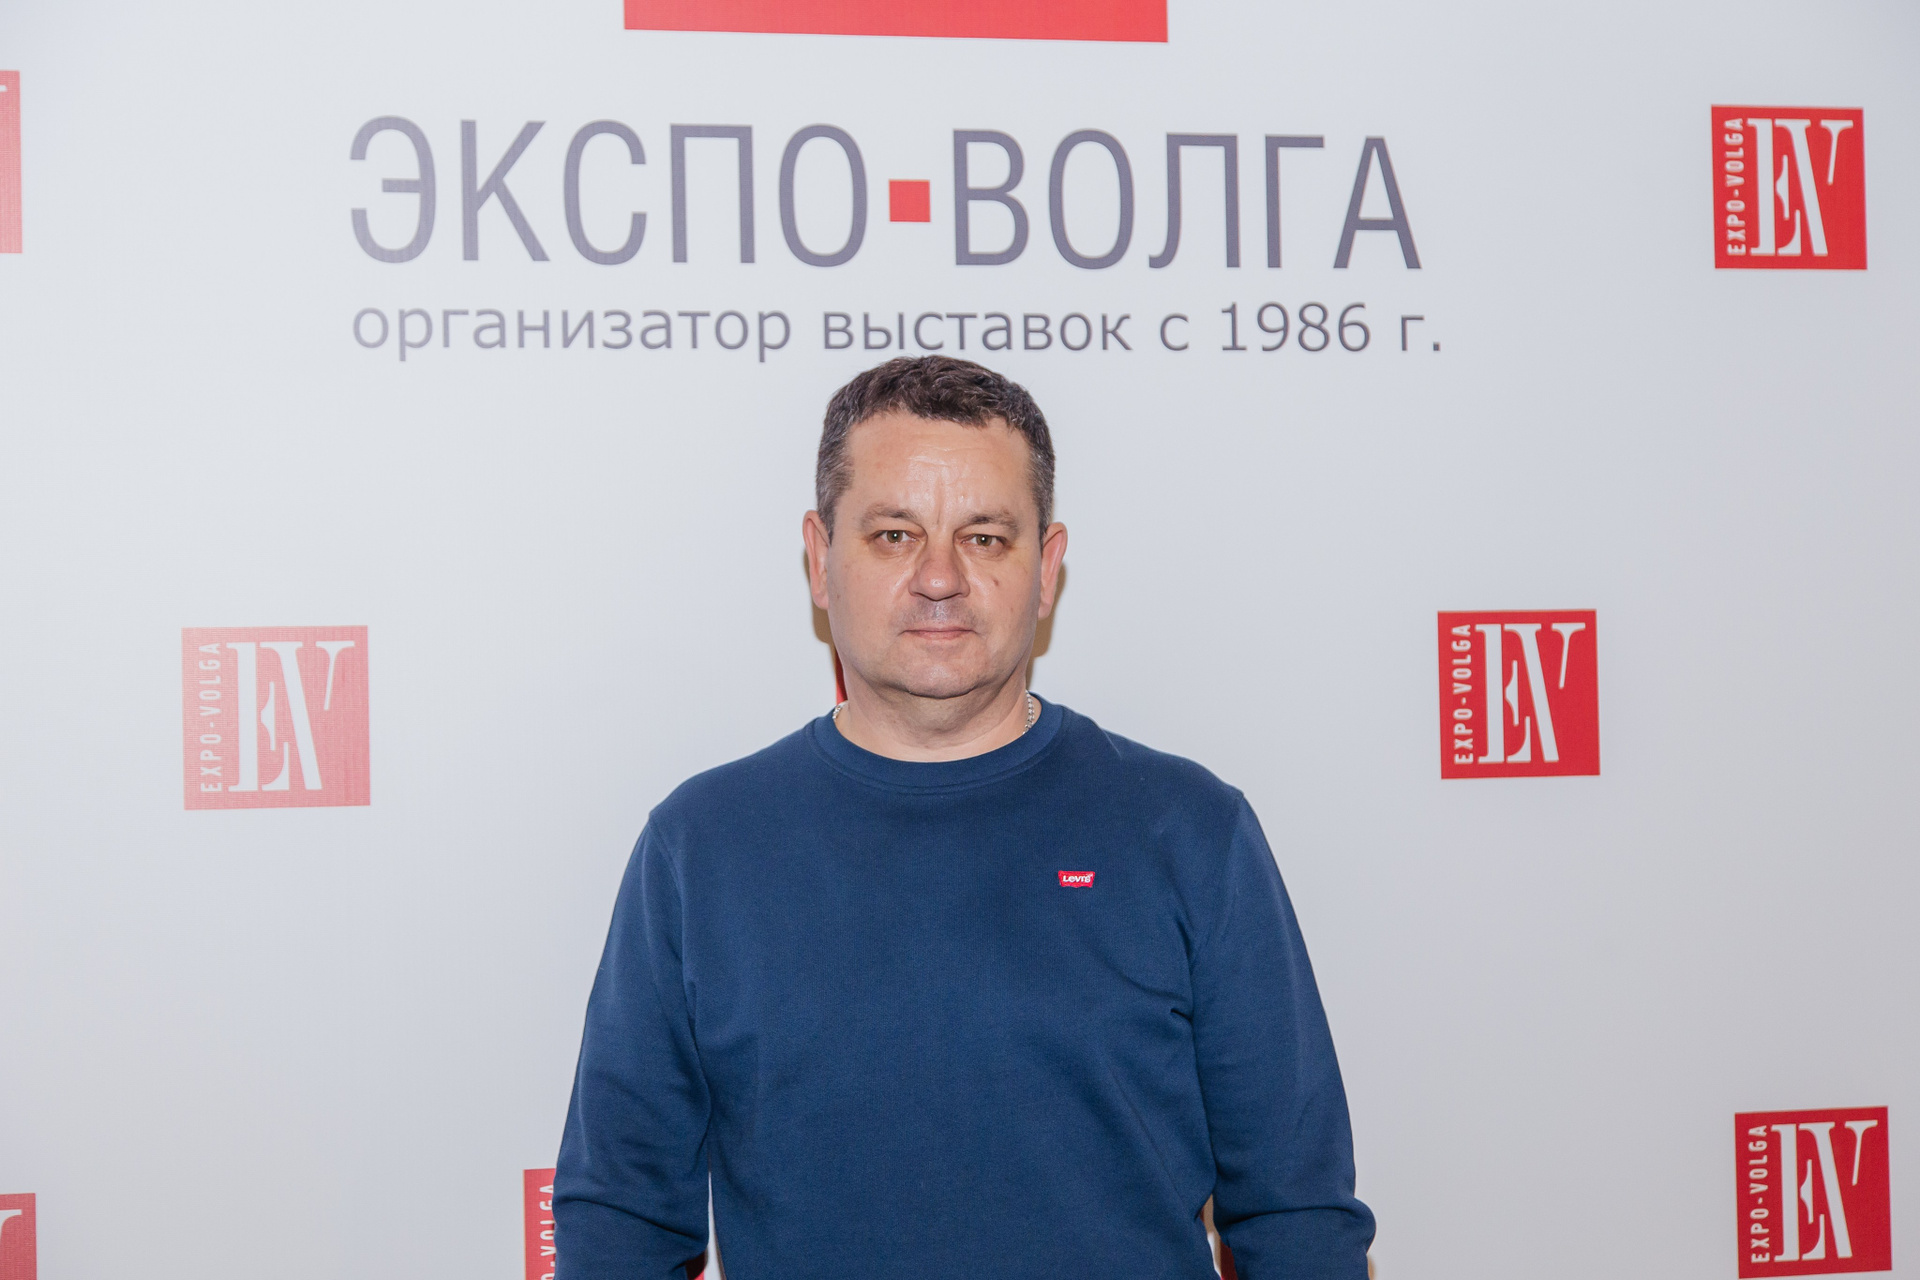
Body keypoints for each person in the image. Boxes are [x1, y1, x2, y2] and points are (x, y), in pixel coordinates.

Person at [555, 356, 1374, 1280]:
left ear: (1046, 568)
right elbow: (619, 1223)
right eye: (894, 535)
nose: (939, 577)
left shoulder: (1190, 832)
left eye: (984, 538)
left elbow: (1299, 1218)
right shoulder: (701, 848)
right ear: (821, 559)